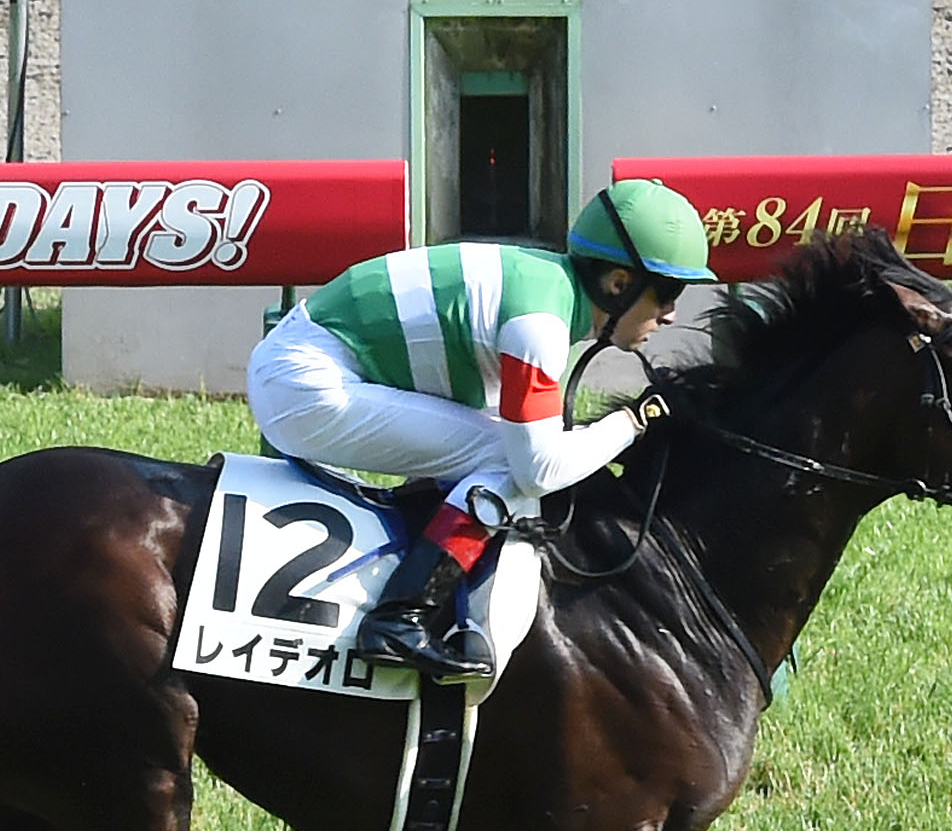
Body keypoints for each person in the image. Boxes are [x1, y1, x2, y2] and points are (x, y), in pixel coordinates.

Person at [243, 178, 715, 680]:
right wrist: (633, 422)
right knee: (506, 460)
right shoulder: (540, 323)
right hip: (304, 384)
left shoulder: (547, 288)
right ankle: (400, 617)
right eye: (667, 293)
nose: (670, 315)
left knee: (500, 444)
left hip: (306, 366)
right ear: (618, 283)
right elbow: (537, 470)